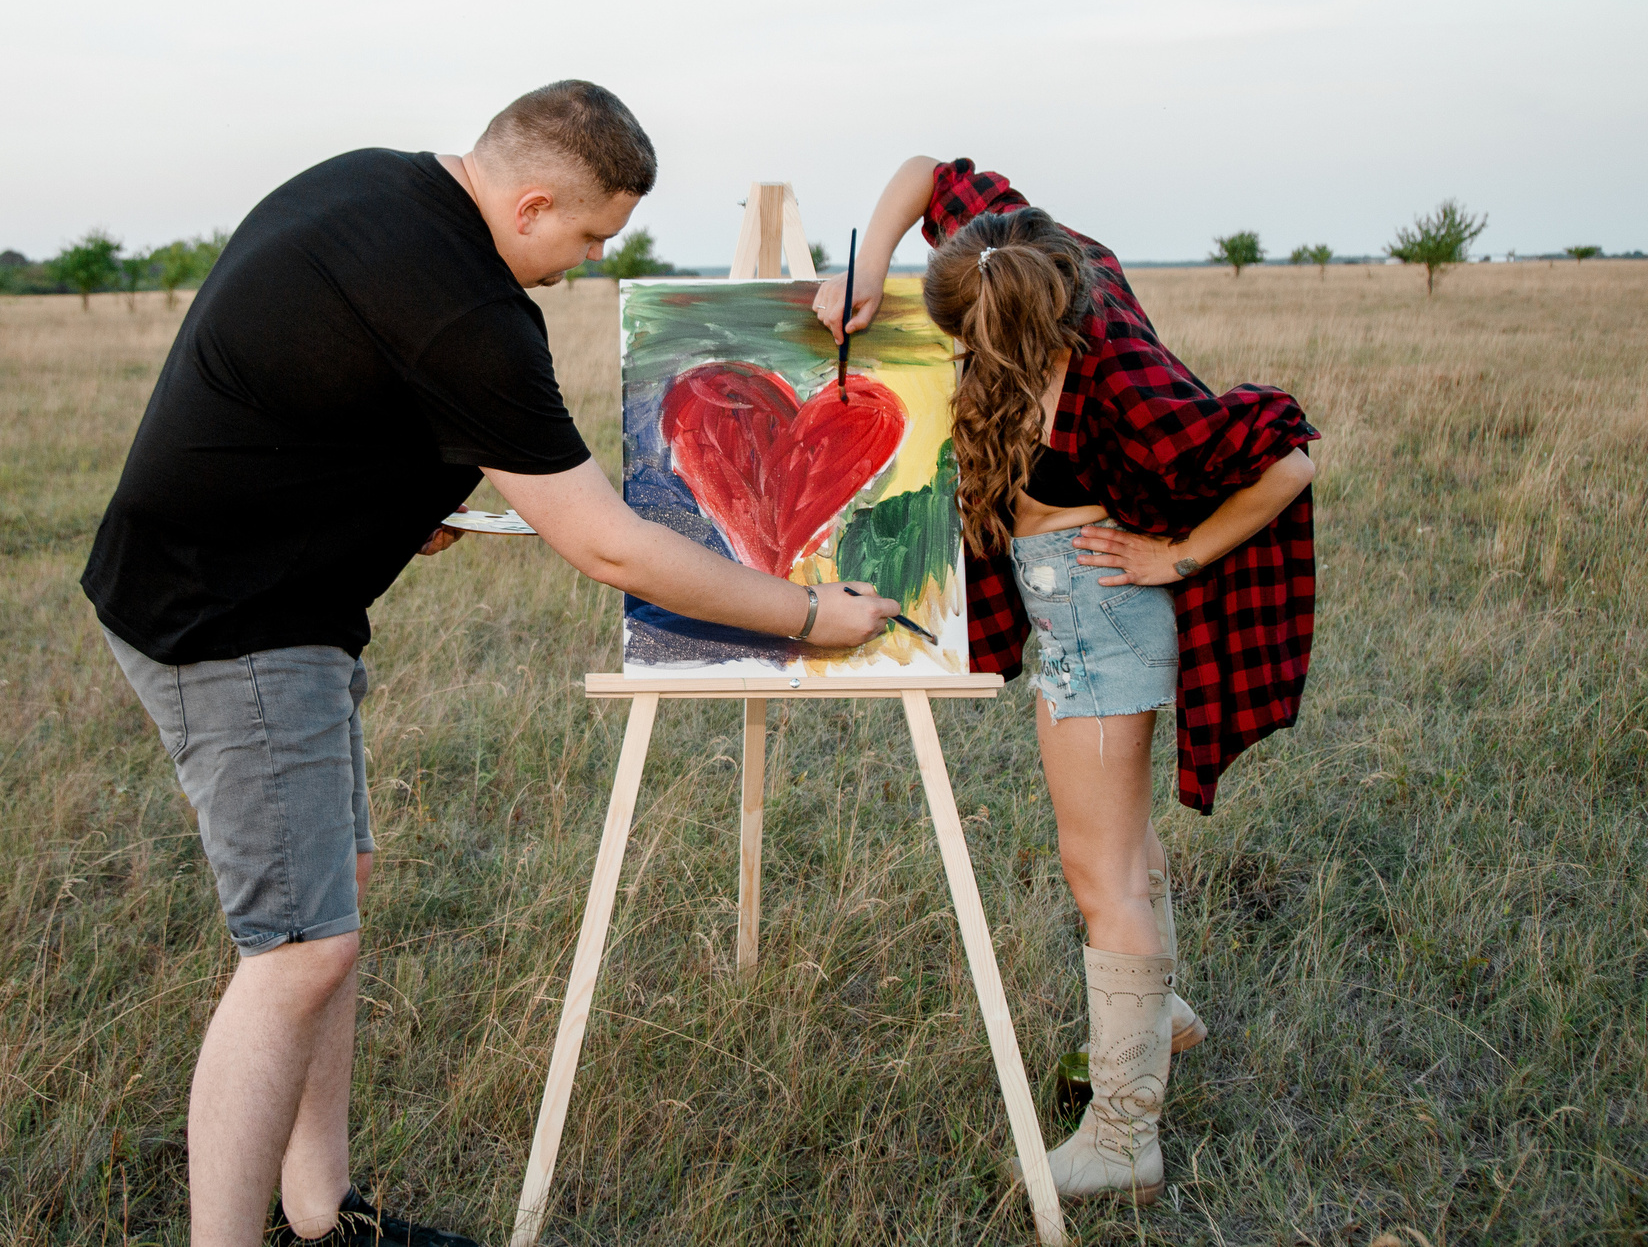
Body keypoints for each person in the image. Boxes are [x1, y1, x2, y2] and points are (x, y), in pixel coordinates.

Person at [83, 81, 900, 1247]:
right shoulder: (469, 313)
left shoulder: (377, 183)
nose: (588, 258)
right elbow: (610, 543)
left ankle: (321, 1217)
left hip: (258, 597)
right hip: (231, 622)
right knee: (296, 951)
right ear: (529, 203)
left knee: (334, 907)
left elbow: (306, 374)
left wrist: (388, 491)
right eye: (589, 234)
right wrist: (807, 614)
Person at [815, 156, 1317, 1205]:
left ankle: (1124, 1133)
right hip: (1073, 615)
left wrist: (1173, 559)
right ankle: (1160, 1017)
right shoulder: (1011, 246)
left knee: (1103, 876)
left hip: (1101, 619)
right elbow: (929, 169)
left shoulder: (1123, 385)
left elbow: (1288, 454)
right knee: (1117, 852)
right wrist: (863, 265)